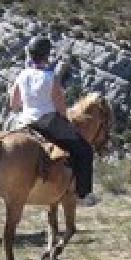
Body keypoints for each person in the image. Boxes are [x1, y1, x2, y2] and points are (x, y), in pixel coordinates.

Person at [10, 36, 95, 202]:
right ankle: (83, 194)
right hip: (48, 122)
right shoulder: (51, 77)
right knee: (84, 149)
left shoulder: (22, 75)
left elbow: (13, 104)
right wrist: (66, 120)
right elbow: (60, 107)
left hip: (25, 121)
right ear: (46, 56)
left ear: (31, 54)